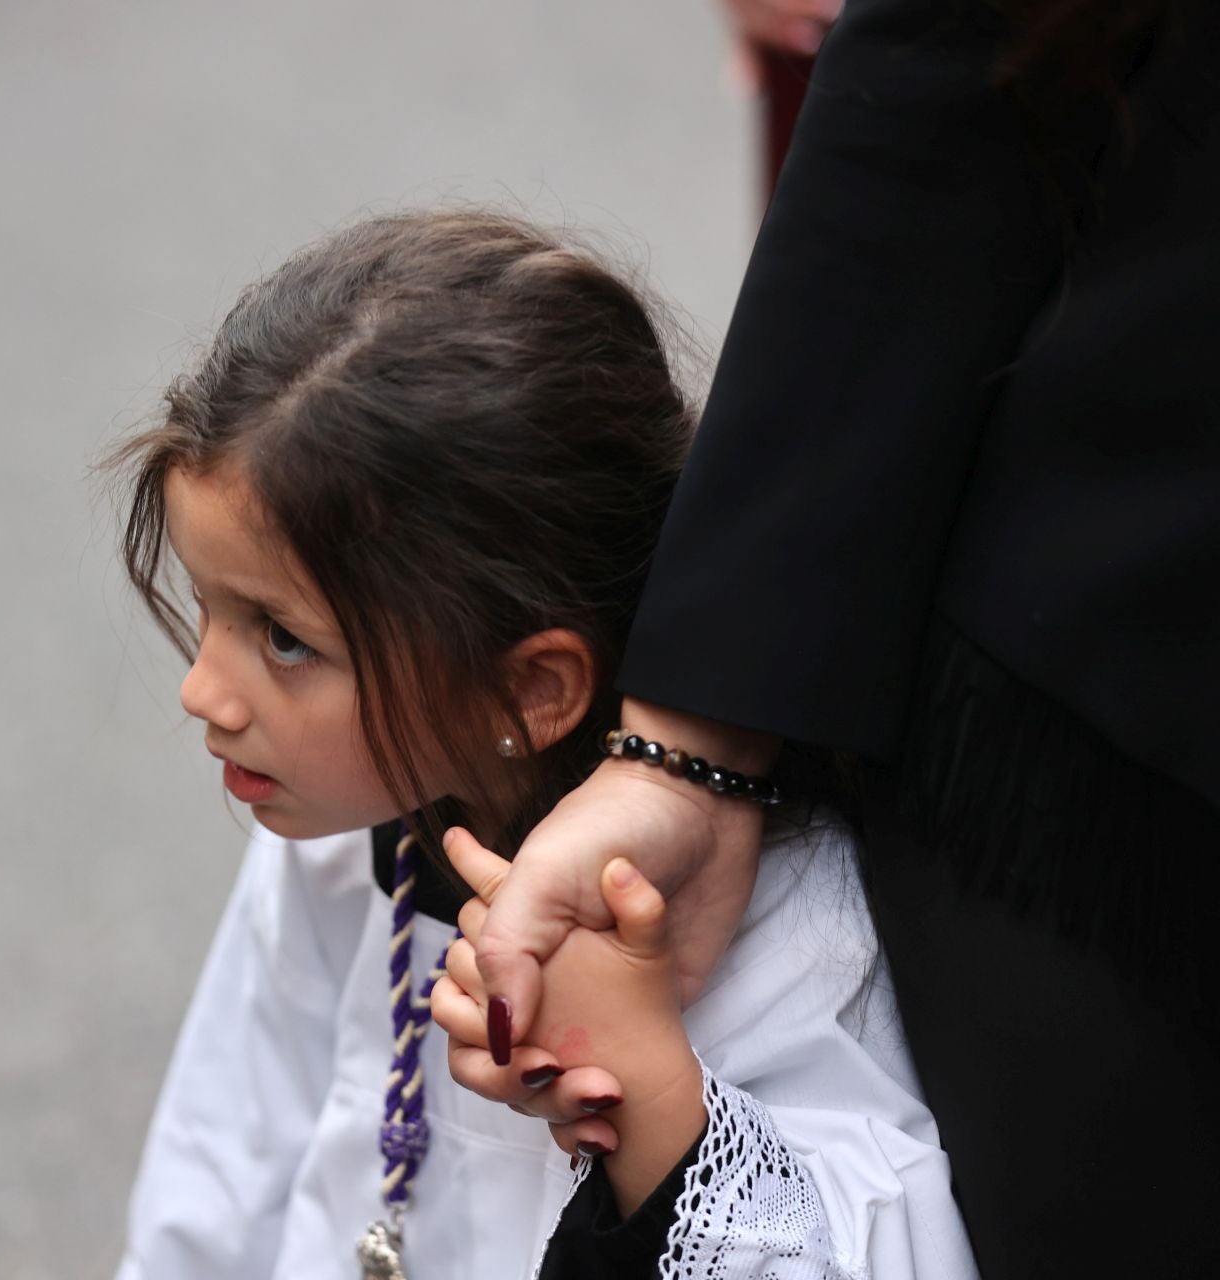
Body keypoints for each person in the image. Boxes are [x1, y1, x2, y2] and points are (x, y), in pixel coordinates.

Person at [455, 2, 1220, 1275]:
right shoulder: (485, 877)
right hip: (1114, 740)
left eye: (281, 638)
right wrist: (687, 753)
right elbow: (954, 65)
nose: (204, 691)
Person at [108, 211, 974, 1279]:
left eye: (283, 637)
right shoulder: (347, 835)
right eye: (209, 608)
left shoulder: (784, 931)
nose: (204, 689)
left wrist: (655, 1094)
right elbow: (224, 1162)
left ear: (532, 687)